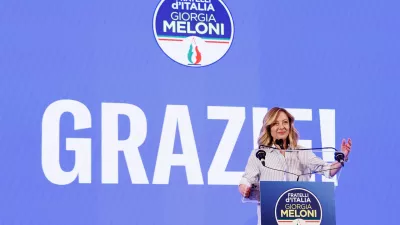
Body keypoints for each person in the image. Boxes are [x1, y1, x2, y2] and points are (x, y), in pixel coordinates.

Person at [238, 107, 352, 225]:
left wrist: (342, 157)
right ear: (269, 128)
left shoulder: (302, 152)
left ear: (290, 126)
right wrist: (244, 188)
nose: (281, 127)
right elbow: (246, 180)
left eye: (285, 122)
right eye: (276, 123)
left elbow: (328, 171)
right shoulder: (260, 154)